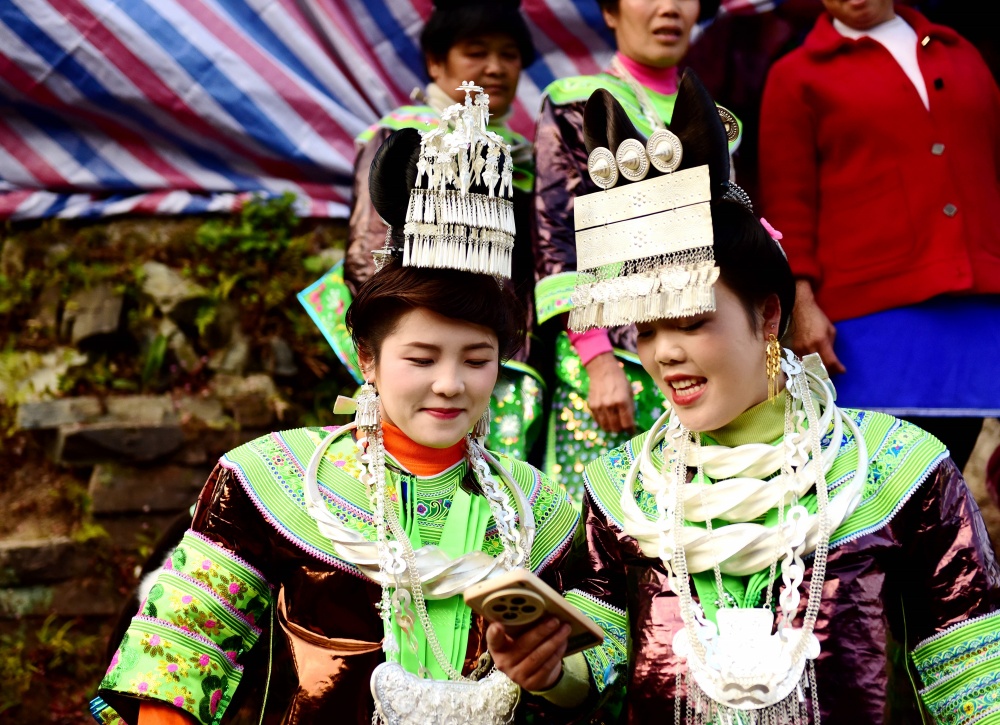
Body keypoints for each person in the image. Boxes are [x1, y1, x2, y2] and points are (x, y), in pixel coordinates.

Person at [495, 71, 1000, 724]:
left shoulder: (895, 467)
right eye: (646, 330)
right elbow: (597, 668)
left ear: (767, 316)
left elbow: (974, 675)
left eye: (691, 321)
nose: (663, 353)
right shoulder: (622, 489)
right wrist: (551, 673)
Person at [90, 87, 581, 725]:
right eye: (421, 359)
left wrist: (556, 676)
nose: (450, 384)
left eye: (476, 360)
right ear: (368, 359)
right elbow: (181, 653)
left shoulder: (540, 509)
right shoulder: (272, 478)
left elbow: (604, 672)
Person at [300, 0, 546, 463]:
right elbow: (369, 253)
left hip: (501, 354)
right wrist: (414, 344)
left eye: (509, 54)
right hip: (426, 344)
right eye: (476, 52)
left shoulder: (521, 154)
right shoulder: (407, 136)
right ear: (436, 62)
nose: (495, 68)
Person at [758, 0, 1000, 470]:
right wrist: (801, 304)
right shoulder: (796, 74)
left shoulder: (960, 53)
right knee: (881, 483)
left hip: (978, 310)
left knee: (952, 474)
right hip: (867, 325)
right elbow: (787, 203)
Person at [531, 0, 742, 500]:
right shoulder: (577, 102)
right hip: (616, 358)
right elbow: (555, 231)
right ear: (610, 11)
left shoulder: (715, 114)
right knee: (609, 512)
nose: (668, 8)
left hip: (710, 354)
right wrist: (597, 360)